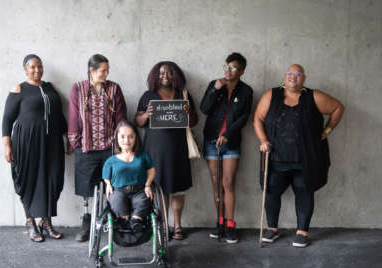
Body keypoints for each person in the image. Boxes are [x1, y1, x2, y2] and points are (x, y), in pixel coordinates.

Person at [253, 64, 345, 247]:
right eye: (289, 73)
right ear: (284, 76)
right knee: (270, 191)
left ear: (303, 78)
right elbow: (258, 118)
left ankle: (302, 231)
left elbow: (338, 108)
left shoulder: (314, 97)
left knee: (304, 192)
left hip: (305, 160)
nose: (292, 77)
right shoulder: (271, 95)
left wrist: (327, 129)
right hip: (276, 159)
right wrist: (263, 140)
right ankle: (272, 229)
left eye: (297, 74)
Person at [2, 54, 71, 242]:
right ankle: (30, 221)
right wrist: (7, 145)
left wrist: (68, 137)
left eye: (39, 66)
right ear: (25, 69)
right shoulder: (19, 89)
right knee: (28, 179)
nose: (36, 70)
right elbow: (7, 119)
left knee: (53, 178)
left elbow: (58, 115)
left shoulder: (50, 88)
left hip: (52, 143)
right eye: (32, 67)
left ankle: (46, 221)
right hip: (26, 143)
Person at [135, 61, 198, 240]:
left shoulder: (183, 94)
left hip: (178, 148)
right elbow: (137, 121)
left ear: (176, 76)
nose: (165, 77)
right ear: (156, 75)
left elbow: (194, 122)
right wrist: (147, 114)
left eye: (170, 74)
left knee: (178, 188)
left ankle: (178, 226)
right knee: (159, 188)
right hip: (155, 150)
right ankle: (162, 225)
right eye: (162, 74)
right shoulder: (149, 95)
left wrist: (188, 112)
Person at [68, 54, 127, 242]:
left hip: (110, 148)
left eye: (107, 70)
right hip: (86, 146)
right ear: (91, 70)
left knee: (114, 185)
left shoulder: (114, 89)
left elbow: (121, 117)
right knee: (87, 187)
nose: (106, 74)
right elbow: (74, 117)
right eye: (103, 70)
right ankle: (87, 220)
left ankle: (113, 219)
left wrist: (121, 144)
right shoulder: (78, 89)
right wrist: (74, 142)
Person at [200, 52, 253, 244]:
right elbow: (204, 109)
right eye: (226, 66)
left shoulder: (246, 91)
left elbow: (243, 118)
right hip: (211, 142)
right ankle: (219, 222)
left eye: (233, 67)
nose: (228, 70)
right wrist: (215, 90)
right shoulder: (215, 84)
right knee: (216, 184)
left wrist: (227, 135)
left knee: (228, 182)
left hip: (231, 143)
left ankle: (231, 224)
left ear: (242, 71)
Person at [103, 121, 154, 232]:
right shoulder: (112, 160)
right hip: (119, 190)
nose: (126, 140)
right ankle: (124, 221)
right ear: (117, 138)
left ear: (136, 138)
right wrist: (108, 184)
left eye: (131, 137)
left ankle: (136, 221)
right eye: (122, 137)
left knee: (144, 200)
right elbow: (106, 175)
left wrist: (148, 185)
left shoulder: (143, 156)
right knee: (116, 200)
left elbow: (151, 170)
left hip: (139, 190)